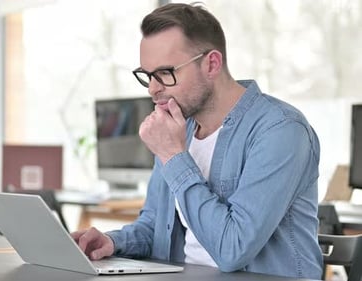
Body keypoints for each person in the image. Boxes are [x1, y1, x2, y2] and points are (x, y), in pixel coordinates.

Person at [71, 3, 323, 279]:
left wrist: (173, 156)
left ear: (211, 64)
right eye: (147, 75)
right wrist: (113, 242)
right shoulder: (180, 128)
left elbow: (232, 250)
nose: (153, 89)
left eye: (165, 73)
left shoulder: (280, 131)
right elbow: (156, 224)